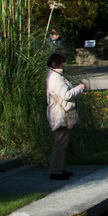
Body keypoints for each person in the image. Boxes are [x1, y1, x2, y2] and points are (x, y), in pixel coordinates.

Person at [46, 53, 86, 181]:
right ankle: (56, 171)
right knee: (60, 144)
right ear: (57, 63)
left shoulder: (55, 76)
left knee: (62, 143)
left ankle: (59, 168)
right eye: (62, 62)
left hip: (59, 114)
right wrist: (79, 88)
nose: (64, 64)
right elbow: (66, 95)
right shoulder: (56, 78)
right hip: (60, 116)